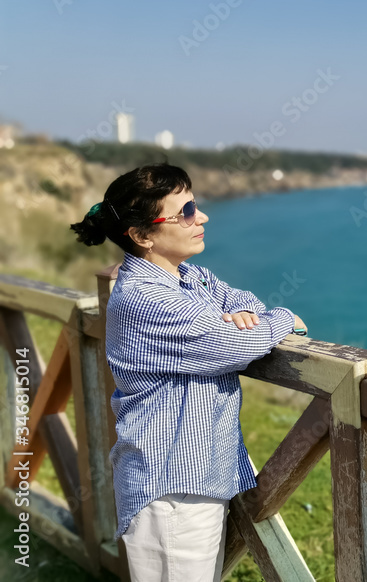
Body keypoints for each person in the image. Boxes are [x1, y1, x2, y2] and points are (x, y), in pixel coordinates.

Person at [70, 163, 307, 582]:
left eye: (194, 205)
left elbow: (238, 297)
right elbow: (238, 345)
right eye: (186, 211)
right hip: (172, 487)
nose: (202, 217)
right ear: (142, 236)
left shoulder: (187, 278)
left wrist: (244, 311)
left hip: (189, 477)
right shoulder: (146, 300)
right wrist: (283, 318)